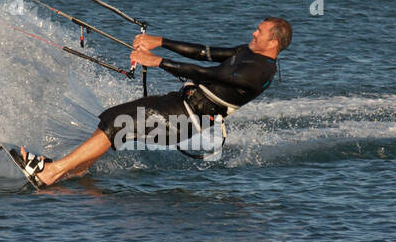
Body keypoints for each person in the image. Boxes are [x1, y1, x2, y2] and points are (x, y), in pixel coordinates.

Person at [18, 16, 292, 187]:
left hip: (187, 121)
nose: (254, 33)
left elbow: (210, 74)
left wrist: (157, 61)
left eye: (260, 31)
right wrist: (159, 41)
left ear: (273, 41)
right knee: (111, 116)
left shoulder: (261, 71)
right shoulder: (246, 52)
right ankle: (75, 171)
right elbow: (204, 53)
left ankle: (51, 172)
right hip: (180, 104)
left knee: (118, 124)